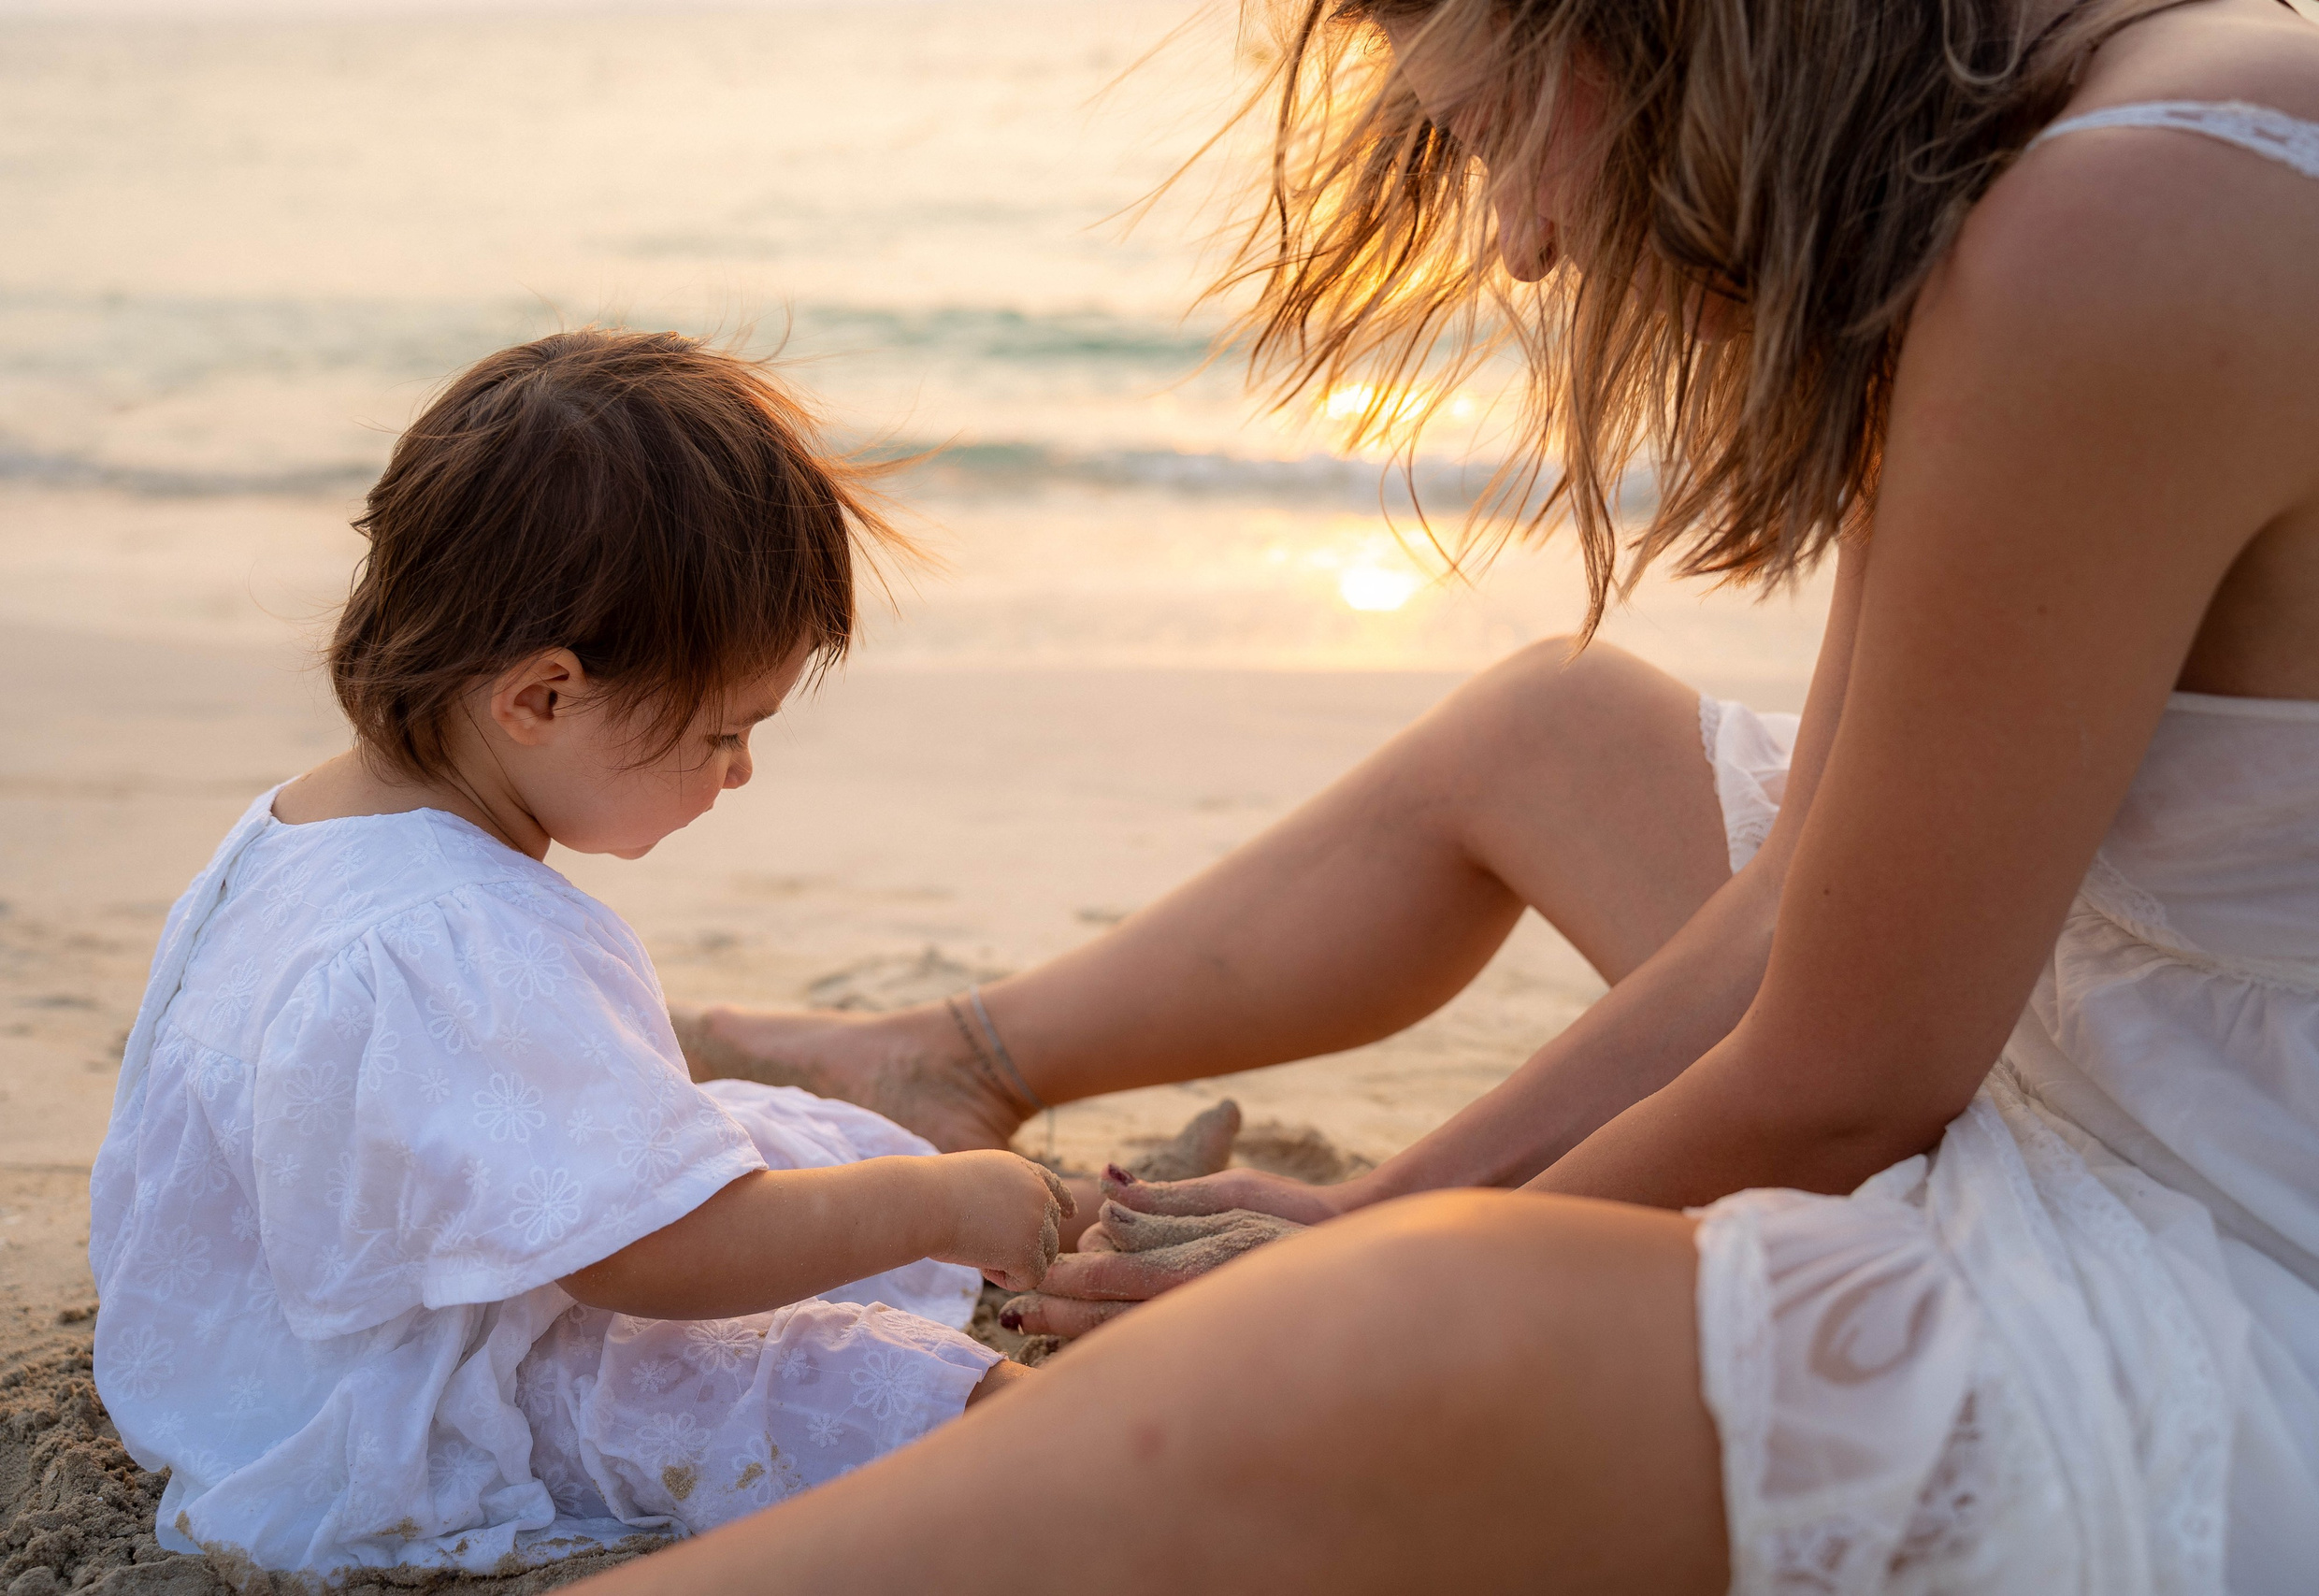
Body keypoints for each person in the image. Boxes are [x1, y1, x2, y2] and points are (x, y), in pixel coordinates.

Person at [643, 0, 2319, 1588]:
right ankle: (954, 1062)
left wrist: (1366, 1269)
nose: (1514, 233)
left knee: (1394, 1339)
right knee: (1563, 734)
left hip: (2246, 1229)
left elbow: (1847, 1082)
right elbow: (1801, 895)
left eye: (1496, 127)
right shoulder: (2021, 155)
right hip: (2133, 1039)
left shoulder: (2120, 223)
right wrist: (1385, 1202)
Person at [85, 329, 1073, 1580]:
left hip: (246, 1350)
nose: (742, 770)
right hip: (392, 1420)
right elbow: (655, 1258)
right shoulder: (459, 938)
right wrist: (937, 1205)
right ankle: (1076, 1434)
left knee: (766, 1127)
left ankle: (1073, 1220)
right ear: (542, 698)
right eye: (724, 732)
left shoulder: (294, 834)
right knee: (816, 1377)